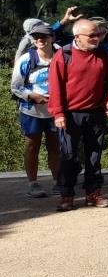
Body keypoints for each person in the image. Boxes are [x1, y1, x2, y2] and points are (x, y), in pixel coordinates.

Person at [48, 18, 108, 211]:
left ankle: (94, 193)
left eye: (99, 34)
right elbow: (55, 87)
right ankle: (67, 196)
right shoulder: (63, 54)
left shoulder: (104, 54)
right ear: (77, 36)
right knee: (69, 156)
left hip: (96, 112)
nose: (97, 38)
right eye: (92, 35)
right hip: (70, 114)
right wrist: (58, 113)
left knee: (94, 156)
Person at [10, 22, 61, 198]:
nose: (40, 39)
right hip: (31, 111)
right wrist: (33, 96)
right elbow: (15, 86)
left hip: (55, 111)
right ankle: (33, 184)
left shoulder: (61, 56)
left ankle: (57, 182)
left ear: (52, 38)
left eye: (44, 36)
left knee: (56, 146)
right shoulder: (26, 59)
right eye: (36, 36)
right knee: (32, 146)